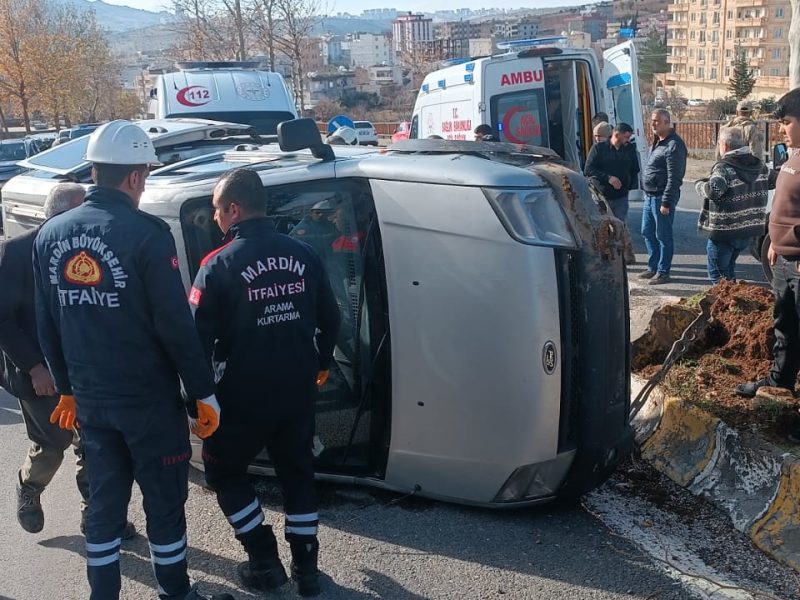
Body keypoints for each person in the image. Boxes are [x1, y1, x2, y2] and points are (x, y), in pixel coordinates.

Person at [32, 120, 233, 600]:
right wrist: (202, 391)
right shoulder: (147, 235)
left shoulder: (50, 234)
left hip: (92, 405)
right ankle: (175, 593)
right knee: (164, 503)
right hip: (147, 403)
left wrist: (66, 388)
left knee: (104, 504)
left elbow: (47, 323)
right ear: (136, 177)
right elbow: (174, 324)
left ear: (96, 170)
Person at [190, 168, 340, 597]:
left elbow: (195, 339)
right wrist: (322, 362)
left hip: (242, 395)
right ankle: (306, 570)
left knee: (223, 472)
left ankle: (263, 559)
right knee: (297, 472)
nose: (216, 219)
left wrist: (196, 398)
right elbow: (330, 317)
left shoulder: (216, 264)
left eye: (218, 210)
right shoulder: (304, 253)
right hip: (297, 389)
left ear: (234, 209)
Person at [0, 183, 136, 538]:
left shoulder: (85, 250)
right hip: (38, 374)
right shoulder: (15, 253)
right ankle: (29, 488)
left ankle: (99, 515)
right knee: (54, 443)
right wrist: (34, 366)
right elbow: (2, 319)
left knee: (95, 444)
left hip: (85, 371)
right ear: (60, 213)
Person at [736, 88, 800, 415]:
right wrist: (776, 241)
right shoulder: (794, 157)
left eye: (786, 122)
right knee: (785, 328)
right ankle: (779, 384)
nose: (781, 129)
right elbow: (787, 206)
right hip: (784, 262)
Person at [697, 126, 774, 285]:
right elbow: (775, 180)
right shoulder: (759, 166)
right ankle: (732, 304)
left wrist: (700, 185)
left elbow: (715, 190)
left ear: (724, 145)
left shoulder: (724, 167)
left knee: (718, 278)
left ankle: (725, 308)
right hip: (747, 231)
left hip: (724, 232)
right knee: (729, 272)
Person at [639, 109, 687, 285]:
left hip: (661, 197)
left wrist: (666, 201)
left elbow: (674, 177)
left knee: (663, 235)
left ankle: (663, 271)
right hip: (650, 196)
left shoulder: (674, 145)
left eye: (657, 121)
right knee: (647, 231)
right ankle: (653, 266)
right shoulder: (658, 142)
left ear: (667, 122)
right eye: (652, 121)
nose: (653, 124)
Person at [585, 122, 639, 223]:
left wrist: (627, 186)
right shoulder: (599, 148)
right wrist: (608, 178)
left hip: (621, 197)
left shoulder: (629, 149)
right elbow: (589, 169)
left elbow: (635, 169)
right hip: (601, 197)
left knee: (619, 228)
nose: (628, 140)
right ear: (617, 135)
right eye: (626, 137)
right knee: (602, 228)